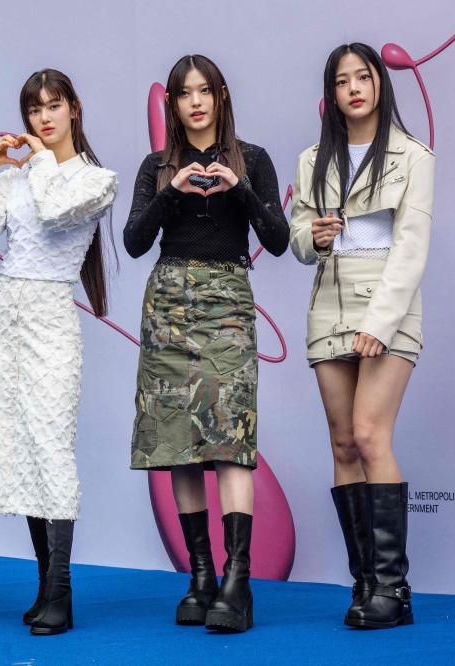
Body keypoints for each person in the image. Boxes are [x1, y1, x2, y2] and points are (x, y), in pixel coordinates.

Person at [124, 54, 289, 633]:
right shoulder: (156, 165)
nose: (195, 102)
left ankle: (237, 581)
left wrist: (237, 188)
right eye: (183, 94)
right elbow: (135, 241)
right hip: (168, 301)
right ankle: (199, 577)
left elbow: (278, 235)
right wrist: (171, 190)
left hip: (226, 301)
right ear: (173, 104)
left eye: (204, 91)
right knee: (176, 441)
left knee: (228, 437)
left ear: (220, 96)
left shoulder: (254, 160)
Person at [0, 68, 118, 636]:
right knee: (19, 442)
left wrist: (39, 162)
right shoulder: (23, 173)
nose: (43, 118)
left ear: (74, 108)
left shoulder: (97, 179)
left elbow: (54, 210)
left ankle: (61, 590)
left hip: (51, 311)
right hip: (6, 313)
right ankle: (45, 585)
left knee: (49, 442)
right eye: (33, 109)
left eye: (53, 106)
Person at [290, 43, 435, 629]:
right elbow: (299, 234)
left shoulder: (413, 156)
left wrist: (380, 325)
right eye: (343, 80)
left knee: (373, 435)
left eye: (364, 77)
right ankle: (365, 584)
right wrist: (315, 237)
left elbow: (411, 248)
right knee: (344, 443)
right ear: (332, 93)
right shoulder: (312, 159)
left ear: (379, 85)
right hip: (328, 307)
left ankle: (395, 592)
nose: (355, 88)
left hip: (388, 312)